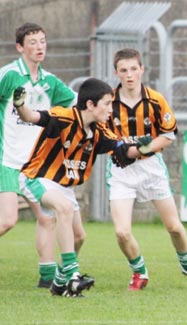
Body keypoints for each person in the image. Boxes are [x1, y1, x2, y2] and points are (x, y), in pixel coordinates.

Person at [14, 77, 153, 297]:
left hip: (64, 187)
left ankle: (59, 283)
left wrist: (143, 148)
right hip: (37, 177)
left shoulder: (99, 131)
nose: (110, 109)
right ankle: (73, 275)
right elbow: (32, 116)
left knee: (79, 237)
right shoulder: (64, 117)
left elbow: (123, 150)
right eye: (107, 103)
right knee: (65, 209)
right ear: (90, 104)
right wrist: (20, 105)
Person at [106, 48, 187, 291]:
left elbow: (168, 135)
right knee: (122, 232)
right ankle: (139, 272)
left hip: (152, 168)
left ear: (142, 69)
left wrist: (142, 151)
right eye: (123, 70)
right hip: (121, 171)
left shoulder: (155, 99)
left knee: (174, 227)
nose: (129, 75)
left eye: (134, 69)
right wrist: (124, 150)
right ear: (116, 73)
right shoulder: (109, 102)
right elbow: (103, 137)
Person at [0, 22, 85, 288]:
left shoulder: (49, 82)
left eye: (42, 41)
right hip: (8, 161)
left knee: (47, 217)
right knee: (7, 221)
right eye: (33, 42)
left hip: (35, 165)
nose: (39, 47)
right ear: (20, 47)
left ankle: (48, 277)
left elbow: (79, 105)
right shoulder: (9, 75)